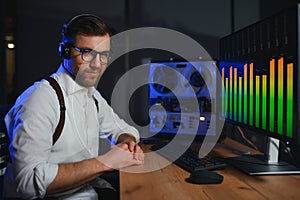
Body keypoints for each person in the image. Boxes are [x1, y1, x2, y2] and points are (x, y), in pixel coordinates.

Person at [2, 14, 144, 199]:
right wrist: (106, 162)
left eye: (103, 55)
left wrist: (127, 143)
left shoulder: (91, 95)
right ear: (65, 51)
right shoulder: (41, 99)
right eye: (87, 52)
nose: (96, 64)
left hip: (87, 191)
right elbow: (27, 183)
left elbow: (121, 129)